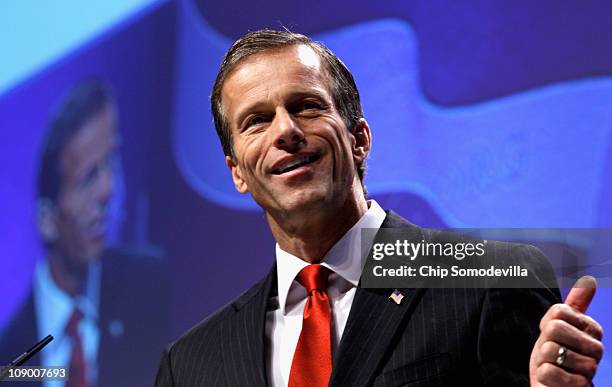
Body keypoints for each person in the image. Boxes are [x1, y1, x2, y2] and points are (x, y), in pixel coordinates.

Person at [156, 30, 604, 386]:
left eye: (306, 106)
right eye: (257, 120)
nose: (286, 131)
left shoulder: (489, 284)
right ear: (237, 171)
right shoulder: (192, 364)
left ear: (359, 140)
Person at [0, 81, 169, 387]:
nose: (108, 189)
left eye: (110, 163)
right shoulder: (8, 359)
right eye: (88, 178)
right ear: (47, 220)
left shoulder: (154, 289)